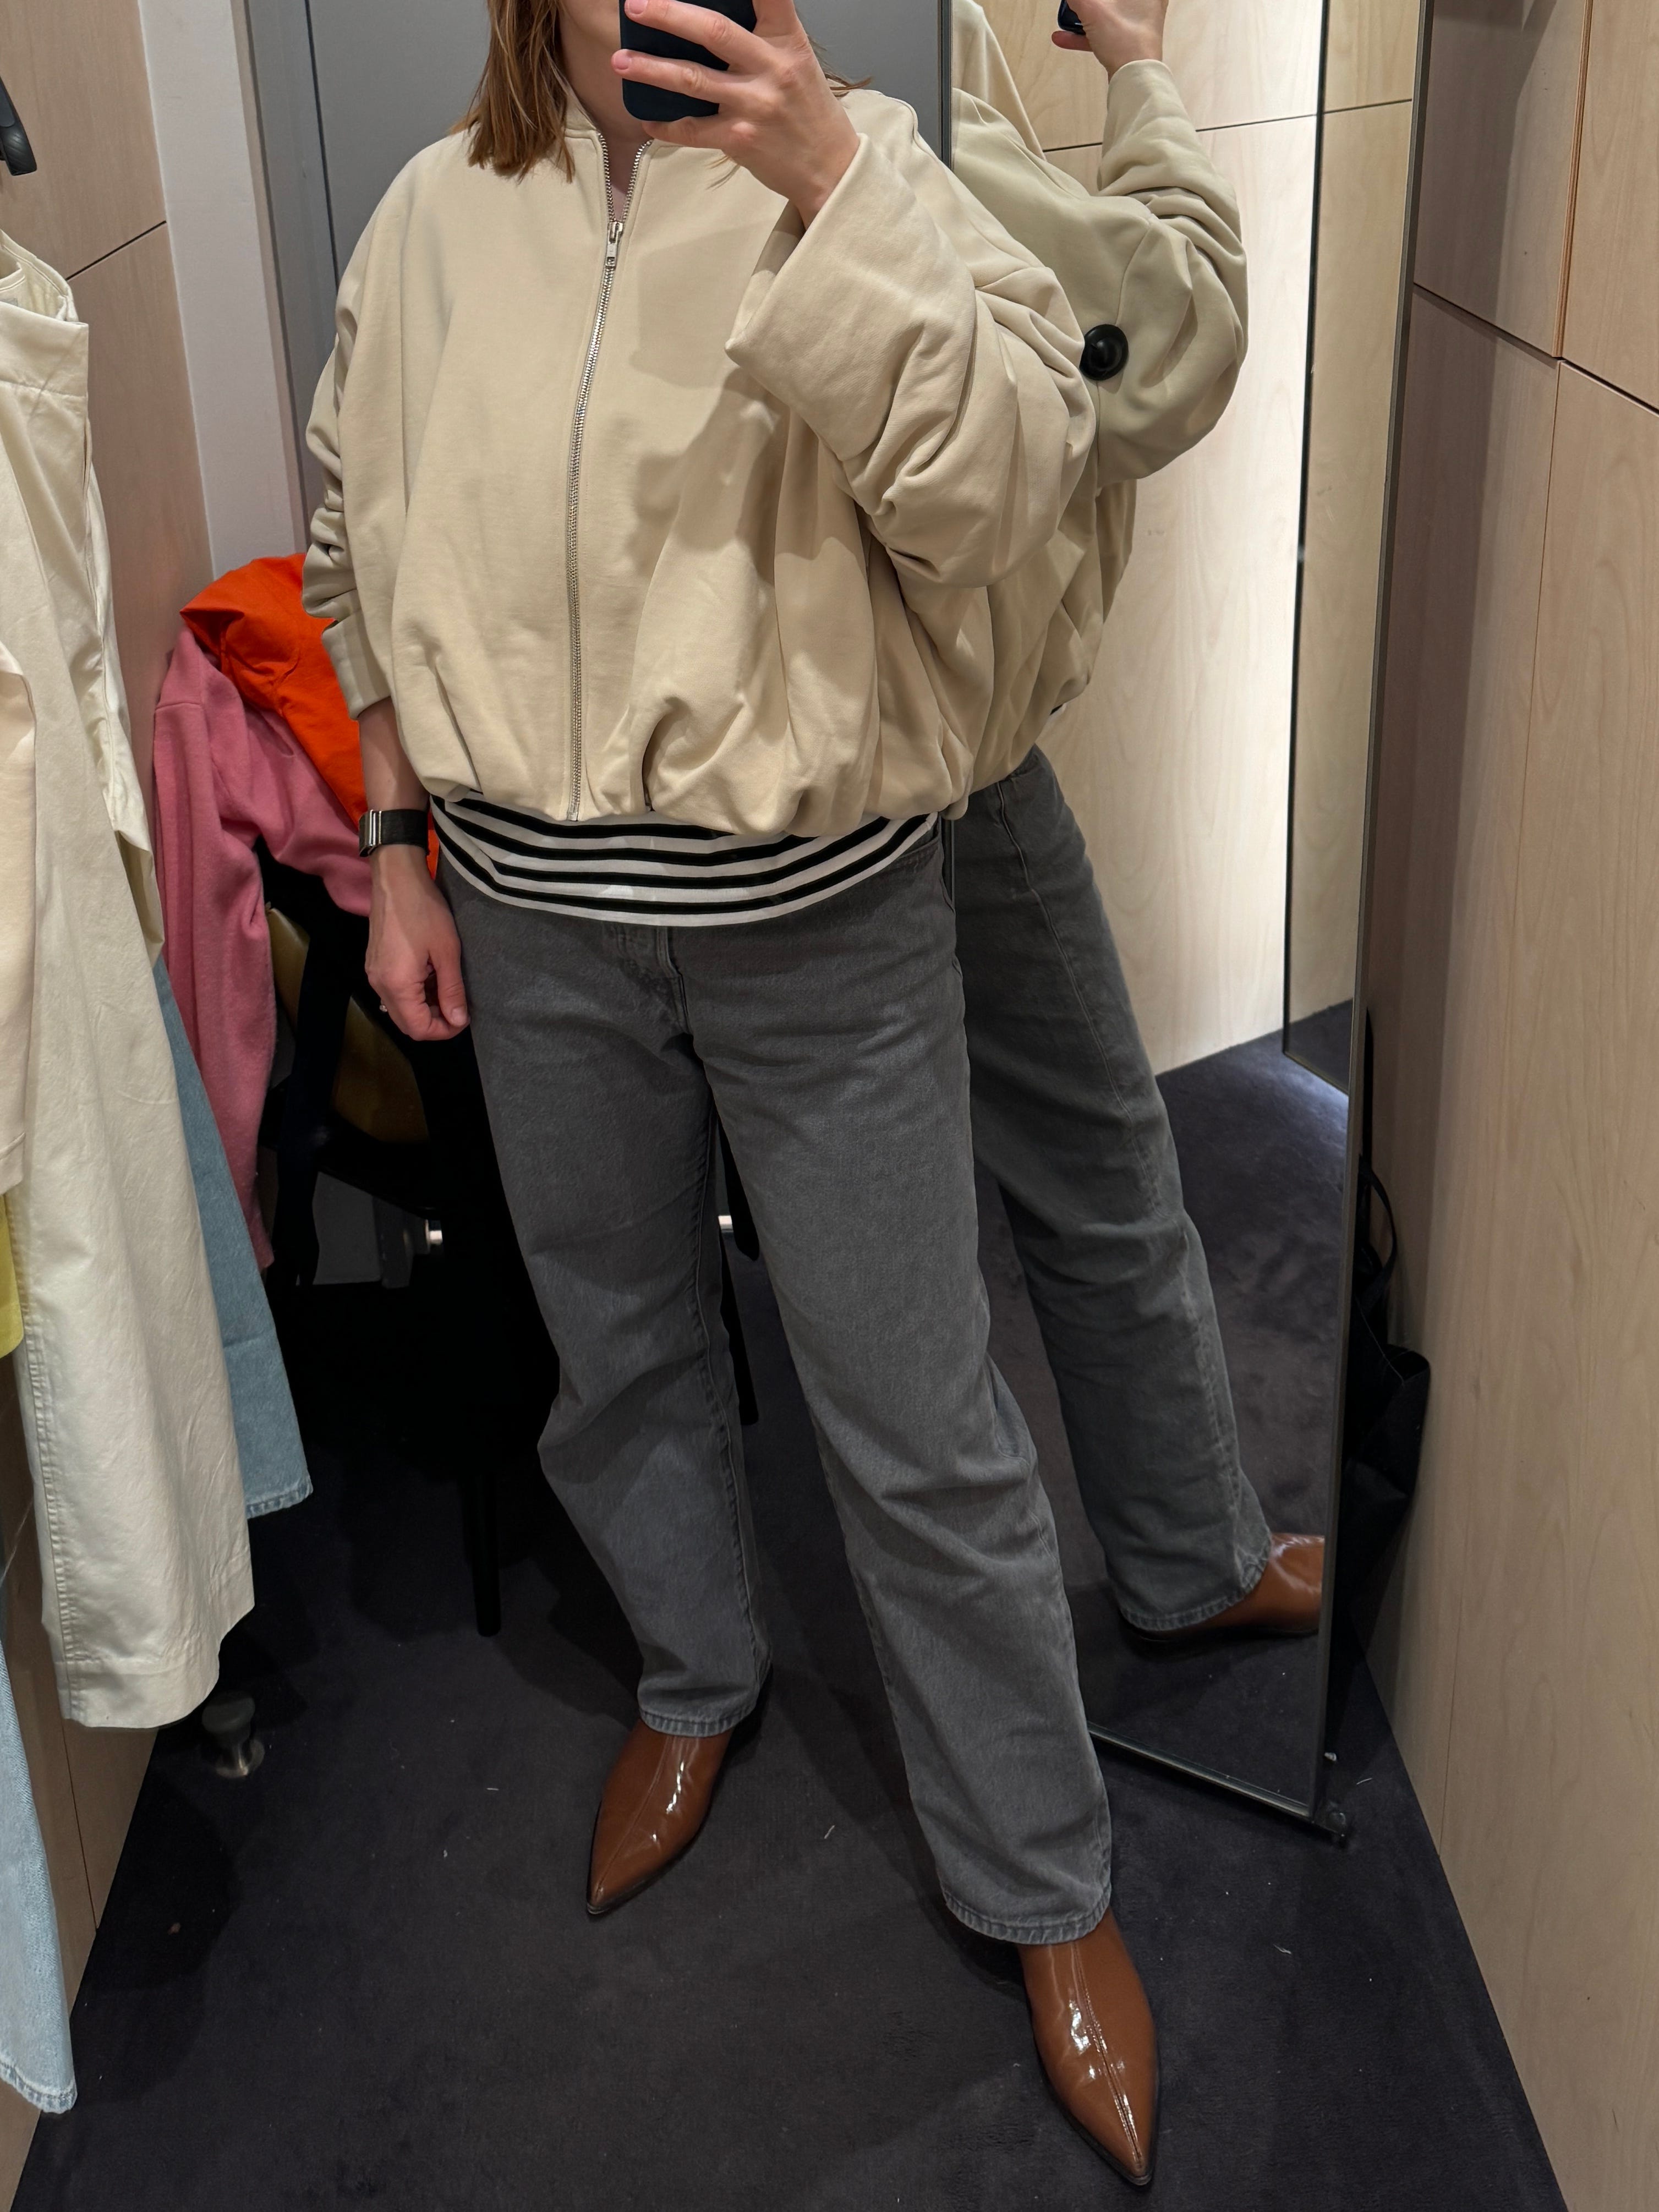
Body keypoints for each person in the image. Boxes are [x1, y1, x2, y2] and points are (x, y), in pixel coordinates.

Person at [306, 0, 1161, 2181]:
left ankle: (1042, 1874)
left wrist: (832, 192)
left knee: (919, 1413)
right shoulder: (429, 221)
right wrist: (395, 852)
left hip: (825, 929)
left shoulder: (876, 171)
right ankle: (696, 1676)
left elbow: (996, 495)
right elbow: (348, 538)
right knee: (617, 1347)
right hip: (532, 926)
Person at [948, 2, 1326, 1643]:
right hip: (923, 767)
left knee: (825, 1278)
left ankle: (702, 1677)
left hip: (778, 764)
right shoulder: (851, 70)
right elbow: (1167, 324)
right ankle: (1189, 1563)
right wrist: (1136, 58)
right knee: (1086, 1162)